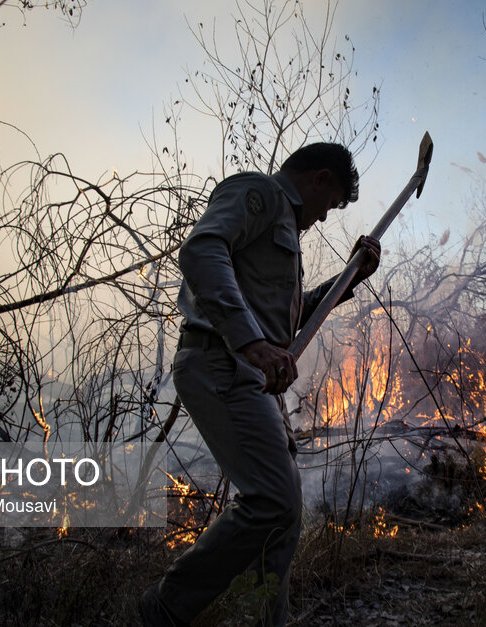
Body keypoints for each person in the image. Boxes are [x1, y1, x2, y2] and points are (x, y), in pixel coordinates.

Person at [139, 143, 381, 627]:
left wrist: (350, 276)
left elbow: (284, 330)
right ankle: (164, 609)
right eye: (331, 203)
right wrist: (250, 344)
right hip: (221, 363)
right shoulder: (259, 194)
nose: (326, 216)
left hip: (249, 374)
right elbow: (202, 250)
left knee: (284, 510)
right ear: (319, 178)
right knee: (272, 498)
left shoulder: (285, 229)